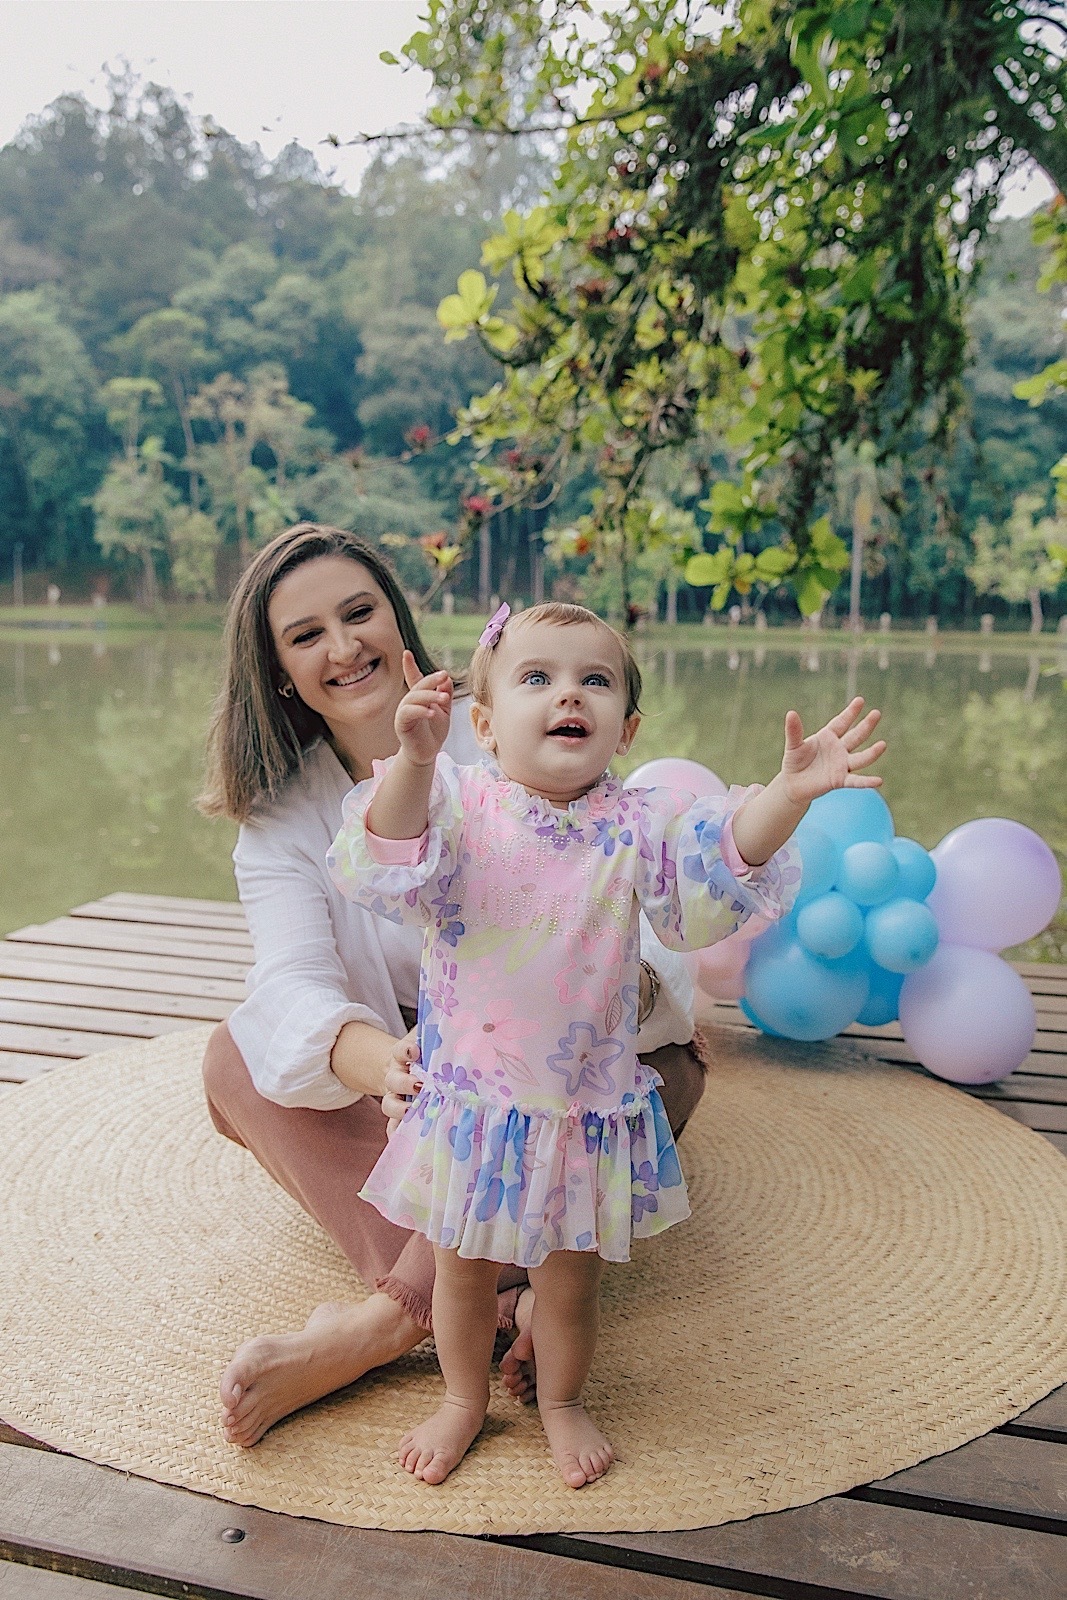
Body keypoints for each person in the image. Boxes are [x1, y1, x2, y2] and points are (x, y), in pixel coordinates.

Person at [326, 601, 886, 1488]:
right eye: (537, 677)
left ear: (624, 727)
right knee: (460, 1276)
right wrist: (417, 757)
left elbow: (715, 871)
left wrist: (785, 795)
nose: (567, 695)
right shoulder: (459, 803)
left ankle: (559, 1398)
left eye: (593, 680)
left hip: (581, 1105)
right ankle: (461, 1398)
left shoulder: (637, 824)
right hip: (475, 1101)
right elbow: (385, 856)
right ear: (484, 722)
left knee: (570, 1283)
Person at [198, 524, 711, 1450]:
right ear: (278, 672)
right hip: (430, 1081)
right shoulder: (280, 817)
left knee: (653, 1077)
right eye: (306, 635)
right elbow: (291, 983)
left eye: (360, 615)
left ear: (400, 622)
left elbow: (642, 907)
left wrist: (566, 1004)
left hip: (563, 1062)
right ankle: (488, 1287)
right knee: (233, 1062)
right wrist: (387, 1065)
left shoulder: (511, 720)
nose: (345, 647)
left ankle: (389, 1321)